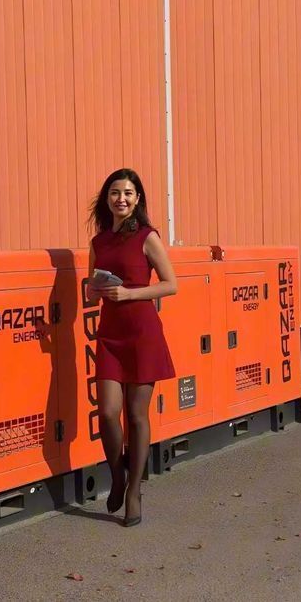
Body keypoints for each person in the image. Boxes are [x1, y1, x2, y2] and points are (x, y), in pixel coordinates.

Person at [87, 168, 177, 527]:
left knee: (137, 416)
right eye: (114, 192)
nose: (120, 199)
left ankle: (134, 492)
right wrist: (94, 290)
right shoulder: (98, 242)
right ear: (106, 198)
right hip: (110, 335)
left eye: (127, 193)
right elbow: (91, 289)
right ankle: (118, 475)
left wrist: (129, 294)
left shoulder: (147, 236)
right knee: (108, 412)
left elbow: (170, 285)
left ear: (137, 199)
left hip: (142, 333)